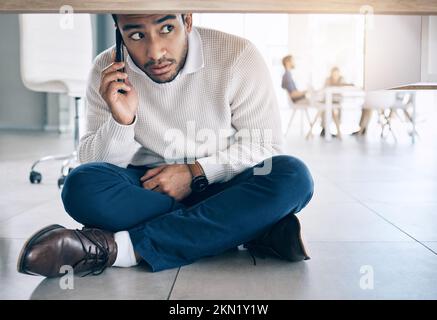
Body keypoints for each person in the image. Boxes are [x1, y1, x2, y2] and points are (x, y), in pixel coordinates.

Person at [17, 14, 314, 278]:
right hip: (147, 187)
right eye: (135, 35)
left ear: (187, 20)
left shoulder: (237, 55)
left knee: (293, 176)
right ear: (118, 30)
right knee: (81, 185)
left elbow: (266, 144)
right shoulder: (105, 70)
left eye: (167, 29)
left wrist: (196, 172)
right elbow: (97, 164)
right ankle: (247, 225)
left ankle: (119, 250)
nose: (155, 52)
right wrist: (123, 121)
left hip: (223, 179)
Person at [320, 66, 351, 138]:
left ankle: (337, 131)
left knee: (334, 111)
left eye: (337, 74)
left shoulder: (341, 79)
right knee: (328, 110)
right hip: (327, 101)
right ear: (331, 74)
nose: (335, 76)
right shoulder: (328, 80)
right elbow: (324, 89)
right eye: (334, 74)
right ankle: (326, 129)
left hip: (337, 101)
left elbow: (344, 86)